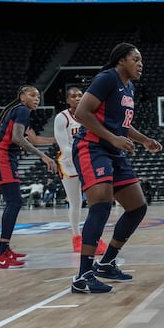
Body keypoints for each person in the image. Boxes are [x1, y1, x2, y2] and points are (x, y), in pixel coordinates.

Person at [70, 42, 163, 294]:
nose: (140, 64)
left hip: (113, 151)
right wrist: (112, 138)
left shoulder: (129, 87)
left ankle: (107, 262)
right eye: (136, 59)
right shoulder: (106, 78)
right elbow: (81, 112)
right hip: (92, 148)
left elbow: (121, 124)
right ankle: (82, 275)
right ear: (121, 60)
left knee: (137, 207)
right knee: (101, 204)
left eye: (141, 60)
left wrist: (144, 140)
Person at [0, 85, 58, 269]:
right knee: (15, 202)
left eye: (38, 97)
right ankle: (1, 254)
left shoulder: (21, 113)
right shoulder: (22, 110)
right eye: (32, 95)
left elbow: (34, 140)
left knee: (15, 202)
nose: (36, 99)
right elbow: (18, 138)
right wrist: (43, 156)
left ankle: (5, 249)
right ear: (22, 96)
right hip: (1, 155)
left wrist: (57, 139)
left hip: (5, 156)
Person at [54, 86, 107, 254]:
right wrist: (83, 157)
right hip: (69, 163)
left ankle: (93, 238)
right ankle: (77, 238)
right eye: (73, 96)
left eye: (80, 95)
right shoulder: (62, 118)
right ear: (68, 100)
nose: (77, 98)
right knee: (75, 202)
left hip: (86, 160)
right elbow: (64, 146)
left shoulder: (90, 115)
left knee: (95, 202)